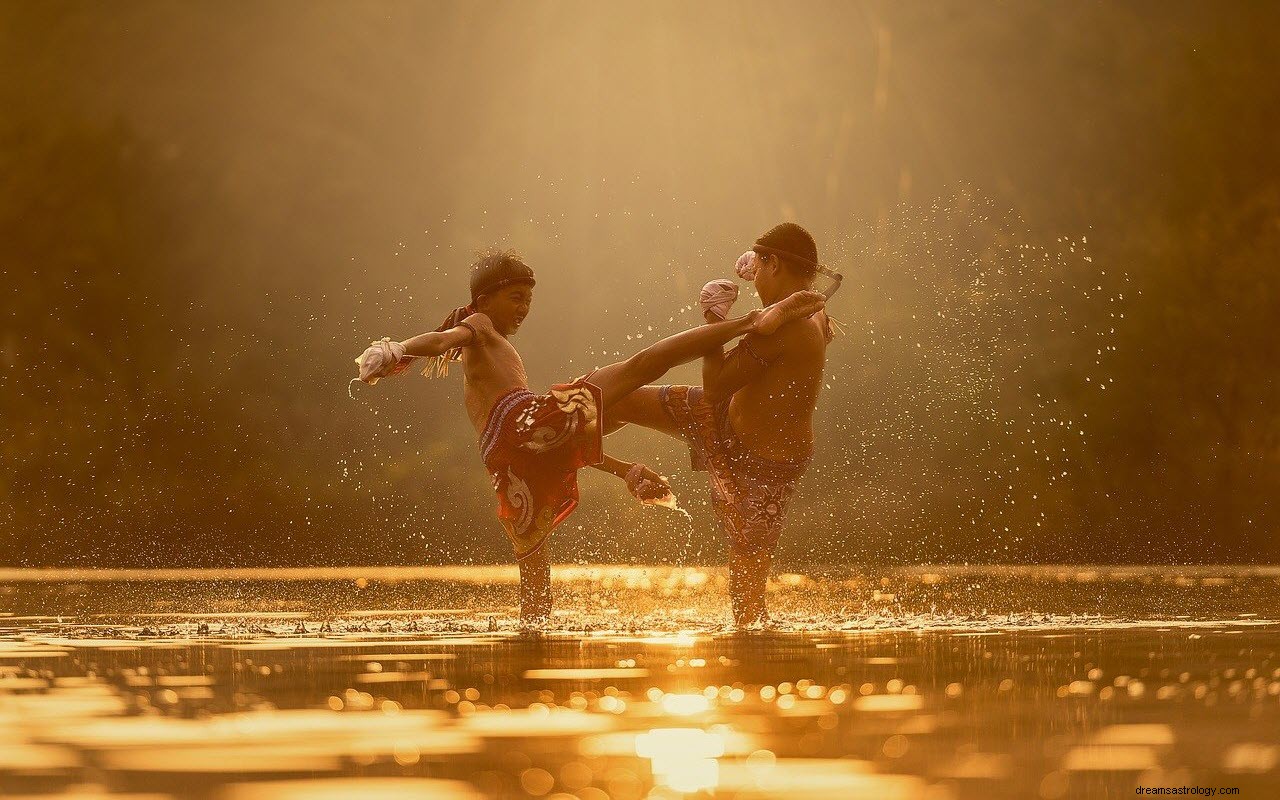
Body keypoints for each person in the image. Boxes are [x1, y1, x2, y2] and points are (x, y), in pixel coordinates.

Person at [354, 249, 824, 625]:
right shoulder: (476, 326)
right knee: (642, 366)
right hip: (525, 419)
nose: (523, 309)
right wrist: (395, 349)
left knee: (535, 581)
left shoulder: (487, 349)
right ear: (484, 300)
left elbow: (555, 448)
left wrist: (625, 470)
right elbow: (437, 342)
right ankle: (741, 321)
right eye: (516, 298)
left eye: (528, 300)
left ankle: (531, 651)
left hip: (509, 459)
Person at [605, 223, 833, 626]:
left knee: (748, 602)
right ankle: (561, 442)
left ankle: (756, 670)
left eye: (760, 266)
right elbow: (802, 293)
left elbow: (712, 387)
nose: (754, 275)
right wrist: (763, 273)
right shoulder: (812, 307)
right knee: (616, 400)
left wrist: (714, 318)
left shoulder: (790, 326)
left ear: (775, 264)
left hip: (763, 465)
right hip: (725, 418)